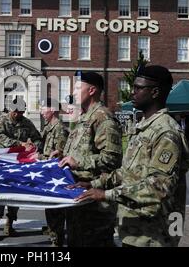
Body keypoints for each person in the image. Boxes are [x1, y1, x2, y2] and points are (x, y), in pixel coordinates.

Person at [74, 65, 189, 247]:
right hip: (135, 229)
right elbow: (128, 172)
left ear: (155, 92)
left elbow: (159, 187)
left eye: (138, 88)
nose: (132, 92)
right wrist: (94, 184)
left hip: (154, 234)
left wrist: (106, 194)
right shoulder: (144, 127)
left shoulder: (166, 132)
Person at [58, 71, 122, 247]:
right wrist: (63, 157)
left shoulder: (103, 117)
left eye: (78, 87)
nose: (74, 92)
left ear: (92, 90)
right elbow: (80, 150)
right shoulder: (84, 118)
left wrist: (78, 161)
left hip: (95, 205)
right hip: (79, 197)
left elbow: (112, 159)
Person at [0, 96, 42, 240]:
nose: (18, 115)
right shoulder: (1, 121)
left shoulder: (26, 122)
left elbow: (37, 137)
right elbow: (1, 137)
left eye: (21, 112)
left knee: (15, 194)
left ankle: (10, 224)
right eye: (16, 112)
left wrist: (34, 147)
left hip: (19, 164)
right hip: (3, 163)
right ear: (11, 110)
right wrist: (20, 144)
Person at [38, 98, 68, 247]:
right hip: (48, 174)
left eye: (44, 108)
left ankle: (57, 241)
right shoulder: (48, 127)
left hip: (55, 177)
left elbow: (57, 157)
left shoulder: (60, 129)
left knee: (56, 211)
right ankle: (53, 233)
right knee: (50, 210)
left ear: (53, 109)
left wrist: (38, 157)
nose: (41, 111)